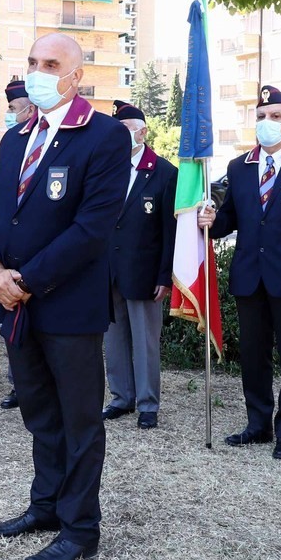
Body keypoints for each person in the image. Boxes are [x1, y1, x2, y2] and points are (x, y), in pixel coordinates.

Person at [0, 32, 130, 560]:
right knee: (40, 412)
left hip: (67, 305)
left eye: (50, 63)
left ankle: (80, 527)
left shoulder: (105, 136)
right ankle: (44, 506)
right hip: (17, 302)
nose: (37, 72)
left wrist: (25, 280)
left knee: (80, 419)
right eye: (32, 61)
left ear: (76, 75)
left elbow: (93, 228)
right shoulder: (16, 136)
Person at [197, 86, 281, 461]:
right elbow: (229, 220)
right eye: (261, 116)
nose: (267, 122)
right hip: (249, 276)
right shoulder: (240, 167)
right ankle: (259, 424)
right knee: (254, 355)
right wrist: (210, 220)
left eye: (274, 116)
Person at [101, 100, 177, 430]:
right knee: (114, 339)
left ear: (143, 132)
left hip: (145, 272)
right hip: (109, 270)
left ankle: (148, 403)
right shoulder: (105, 169)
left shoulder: (163, 173)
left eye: (127, 131)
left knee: (145, 342)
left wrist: (164, 275)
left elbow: (169, 232)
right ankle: (121, 397)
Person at [0, 78, 32, 411]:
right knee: (11, 324)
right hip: (9, 257)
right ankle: (16, 384)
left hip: (38, 262)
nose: (10, 116)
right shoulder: (10, 140)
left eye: (13, 109)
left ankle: (32, 385)